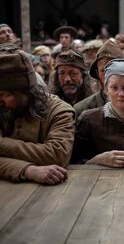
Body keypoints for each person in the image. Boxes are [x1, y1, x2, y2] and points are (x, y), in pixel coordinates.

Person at [0, 48, 75, 184]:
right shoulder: (3, 108)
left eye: (5, 95)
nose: (1, 102)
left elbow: (57, 155)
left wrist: (1, 144)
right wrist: (27, 170)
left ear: (25, 92)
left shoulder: (59, 111)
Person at [73, 39, 124, 118]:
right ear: (97, 73)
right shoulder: (83, 109)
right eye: (103, 70)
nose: (109, 75)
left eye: (114, 69)